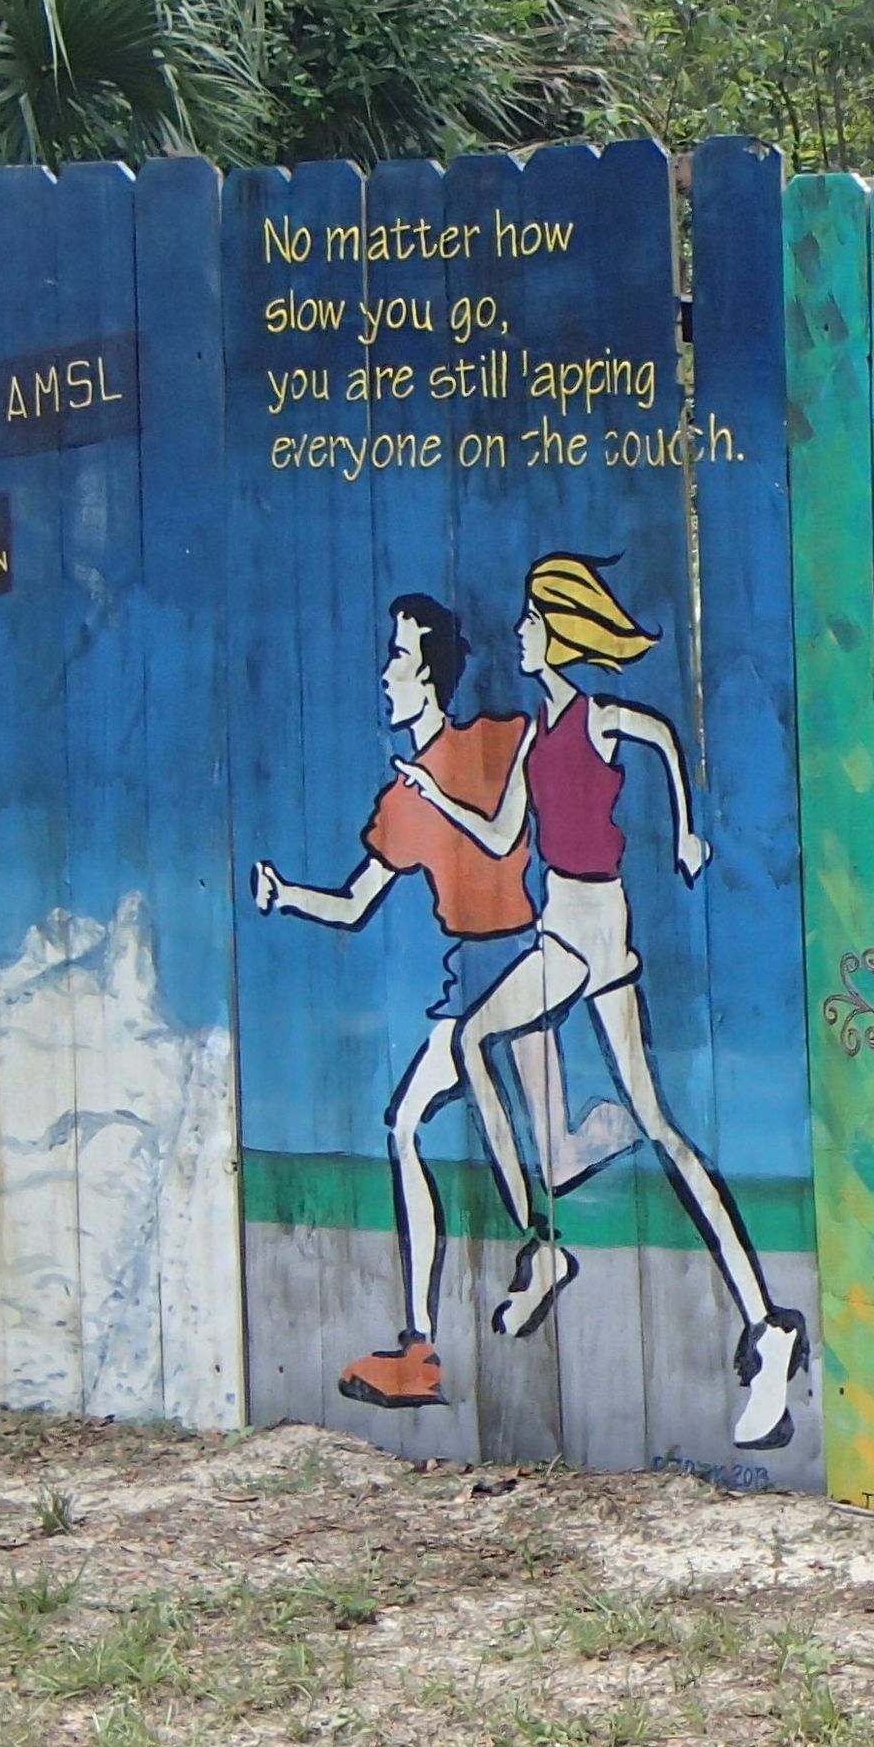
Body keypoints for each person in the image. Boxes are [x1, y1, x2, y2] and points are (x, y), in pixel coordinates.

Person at [396, 554, 809, 1451]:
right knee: (510, 1058)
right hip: (563, 928)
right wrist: (437, 797)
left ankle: (754, 1321)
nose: (520, 634)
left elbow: (663, 736)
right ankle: (561, 1252)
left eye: (534, 623)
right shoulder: (536, 743)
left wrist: (690, 828)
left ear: (564, 634)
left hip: (594, 921)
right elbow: (505, 832)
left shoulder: (596, 720)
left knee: (629, 1110)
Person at [252, 593, 633, 1414]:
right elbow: (356, 905)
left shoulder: (495, 740)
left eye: (396, 658)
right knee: (407, 1126)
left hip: (525, 962)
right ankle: (420, 1346)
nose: (384, 676)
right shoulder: (399, 802)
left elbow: (529, 780)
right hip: (467, 985)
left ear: (429, 674)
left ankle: (593, 1167)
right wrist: (286, 897)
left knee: (554, 1154)